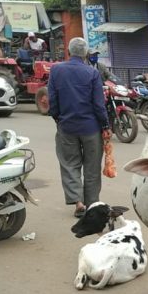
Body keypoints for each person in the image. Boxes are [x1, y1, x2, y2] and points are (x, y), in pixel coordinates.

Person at [47, 37, 110, 218]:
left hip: (66, 127)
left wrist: (58, 119)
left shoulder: (56, 70)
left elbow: (52, 100)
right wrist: (105, 125)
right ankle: (91, 204)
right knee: (91, 167)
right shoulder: (92, 73)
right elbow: (99, 104)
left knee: (69, 165)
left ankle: (78, 202)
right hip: (91, 128)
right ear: (86, 54)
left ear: (69, 51)